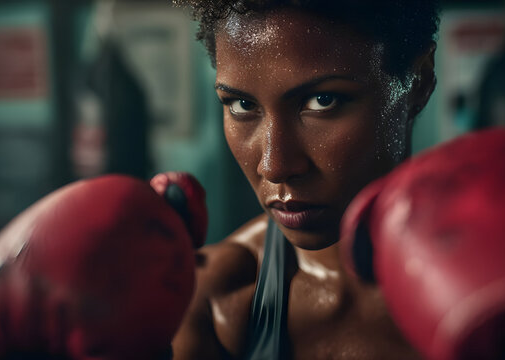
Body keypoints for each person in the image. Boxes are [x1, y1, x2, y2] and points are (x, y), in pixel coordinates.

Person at [171, 1, 440, 359]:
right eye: (241, 105)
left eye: (322, 100)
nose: (274, 166)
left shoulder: (504, 279)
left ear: (418, 81)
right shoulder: (215, 298)